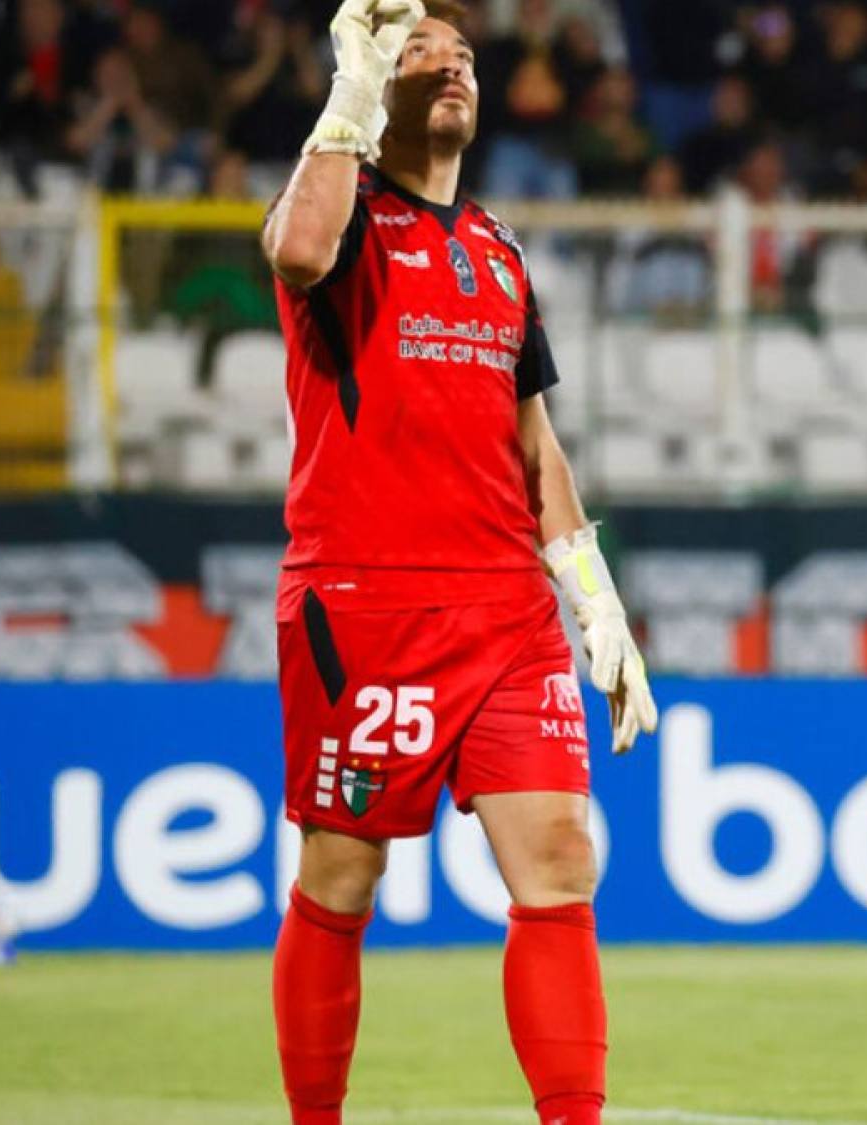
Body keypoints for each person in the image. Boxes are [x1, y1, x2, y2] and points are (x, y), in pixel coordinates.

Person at [259, 4, 658, 1123]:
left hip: (504, 612)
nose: (451, 70)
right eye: (421, 53)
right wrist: (347, 96)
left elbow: (532, 442)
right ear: (373, 78)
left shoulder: (496, 248)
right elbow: (294, 253)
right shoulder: (335, 214)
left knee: (561, 859)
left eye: (463, 57)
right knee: (344, 878)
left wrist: (596, 605)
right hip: (365, 602)